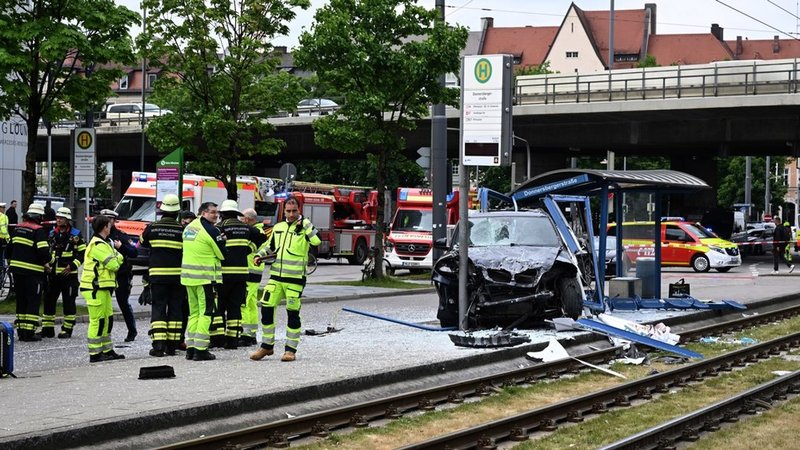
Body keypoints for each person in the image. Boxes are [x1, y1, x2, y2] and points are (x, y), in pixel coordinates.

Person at [251, 197, 320, 362]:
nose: (290, 214)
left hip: (295, 279)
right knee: (266, 308)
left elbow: (317, 241)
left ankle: (290, 350)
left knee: (292, 313)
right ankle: (267, 346)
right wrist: (259, 255)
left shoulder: (305, 227)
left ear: (299, 210)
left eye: (294, 211)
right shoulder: (279, 227)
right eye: (288, 211)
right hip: (275, 277)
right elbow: (270, 246)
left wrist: (306, 225)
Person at [215, 201, 265, 350]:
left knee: (220, 307)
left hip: (224, 275)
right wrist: (249, 249)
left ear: (222, 214)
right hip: (242, 274)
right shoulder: (246, 228)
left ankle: (218, 339)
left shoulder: (219, 228)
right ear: (236, 214)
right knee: (236, 307)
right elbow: (262, 238)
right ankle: (233, 340)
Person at [140, 194, 184, 357]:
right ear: (177, 212)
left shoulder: (152, 228)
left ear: (162, 210)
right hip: (178, 277)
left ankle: (158, 346)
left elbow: (142, 244)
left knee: (158, 309)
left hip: (157, 277)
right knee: (175, 310)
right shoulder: (182, 230)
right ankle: (172, 346)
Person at [181, 202, 226, 361]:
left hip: (188, 277)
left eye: (217, 212)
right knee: (207, 312)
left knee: (194, 313)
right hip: (205, 278)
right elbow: (222, 254)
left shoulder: (189, 227)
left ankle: (191, 347)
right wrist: (223, 241)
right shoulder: (211, 230)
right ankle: (200, 349)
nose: (216, 215)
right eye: (212, 212)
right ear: (203, 213)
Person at [81, 215, 126, 362]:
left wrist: (116, 257)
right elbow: (114, 264)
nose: (111, 226)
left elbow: (118, 258)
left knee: (108, 319)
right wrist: (116, 258)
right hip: (95, 288)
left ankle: (107, 349)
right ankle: (95, 353)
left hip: (103, 287)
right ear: (105, 227)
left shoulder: (104, 243)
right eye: (109, 224)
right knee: (98, 320)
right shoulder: (98, 245)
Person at [7, 203, 52, 341]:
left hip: (17, 271)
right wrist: (50, 260)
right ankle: (29, 333)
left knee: (21, 300)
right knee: (33, 300)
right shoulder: (38, 231)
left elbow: (8, 251)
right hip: (33, 273)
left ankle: (21, 332)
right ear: (39, 217)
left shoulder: (17, 228)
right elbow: (43, 251)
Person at [42, 207, 86, 338]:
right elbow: (48, 251)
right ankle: (47, 329)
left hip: (69, 276)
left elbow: (82, 254)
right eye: (57, 217)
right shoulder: (52, 234)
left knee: (68, 302)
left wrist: (72, 266)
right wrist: (46, 263)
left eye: (61, 218)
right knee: (49, 301)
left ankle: (67, 329)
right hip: (53, 275)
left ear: (67, 220)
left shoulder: (76, 235)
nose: (58, 220)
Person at [100, 209, 139, 341]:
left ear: (113, 221)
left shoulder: (120, 235)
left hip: (121, 274)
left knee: (123, 302)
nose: (106, 222)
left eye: (108, 219)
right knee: (104, 305)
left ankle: (132, 331)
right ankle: (105, 332)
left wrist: (121, 247)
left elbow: (134, 252)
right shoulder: (99, 236)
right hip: (104, 275)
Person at [240, 208, 270, 346]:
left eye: (242, 218)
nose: (241, 221)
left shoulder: (254, 233)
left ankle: (246, 334)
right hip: (255, 272)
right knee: (251, 303)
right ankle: (251, 333)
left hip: (249, 270)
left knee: (244, 303)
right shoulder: (261, 231)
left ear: (247, 219)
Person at [0, 202, 9, 267]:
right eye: (3, 208)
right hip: (1, 238)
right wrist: (8, 238)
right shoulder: (3, 216)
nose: (4, 209)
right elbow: (3, 228)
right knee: (1, 256)